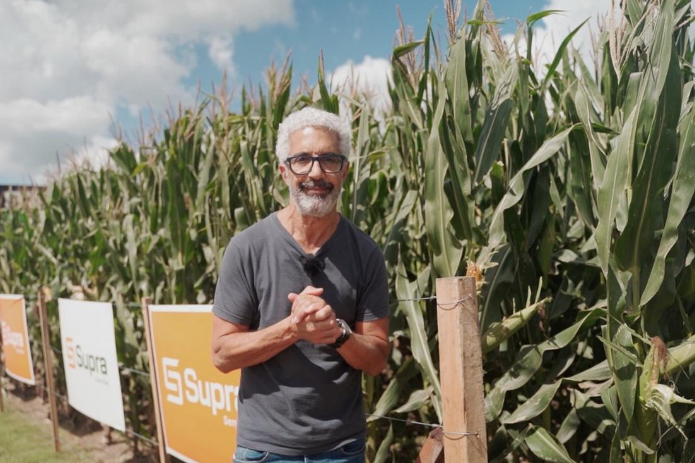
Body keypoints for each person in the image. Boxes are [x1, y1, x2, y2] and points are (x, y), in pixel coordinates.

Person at [211, 107, 390, 463]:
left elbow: (376, 360)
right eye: (302, 160)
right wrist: (294, 329)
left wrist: (337, 333)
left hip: (342, 449)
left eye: (329, 160)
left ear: (345, 171)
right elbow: (222, 355)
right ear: (284, 171)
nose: (316, 172)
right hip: (264, 450)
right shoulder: (247, 248)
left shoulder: (366, 254)